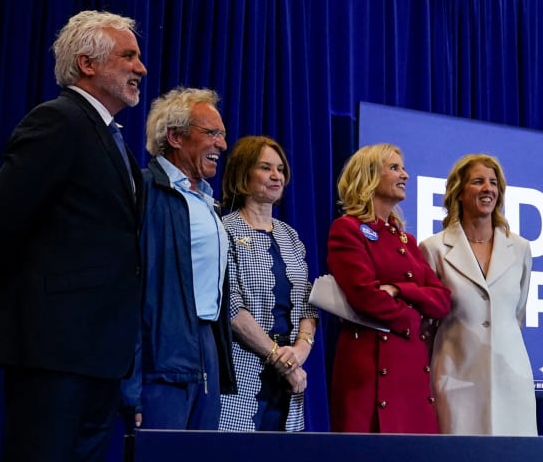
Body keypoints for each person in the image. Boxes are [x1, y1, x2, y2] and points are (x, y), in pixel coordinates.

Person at [0, 10, 146, 461]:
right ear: (88, 63)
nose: (141, 68)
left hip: (98, 350)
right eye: (129, 56)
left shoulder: (109, 135)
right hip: (55, 348)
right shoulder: (59, 121)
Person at [122, 87, 237, 430]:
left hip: (206, 350)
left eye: (223, 134)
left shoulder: (207, 201)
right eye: (212, 133)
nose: (222, 145)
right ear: (174, 136)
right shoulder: (143, 191)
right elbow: (128, 291)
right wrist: (131, 385)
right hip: (161, 356)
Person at [326, 143, 452, 433]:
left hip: (411, 375)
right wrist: (414, 319)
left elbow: (442, 301)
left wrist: (399, 290)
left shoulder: (406, 240)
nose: (405, 175)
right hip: (370, 372)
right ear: (369, 175)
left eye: (403, 168)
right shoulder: (347, 229)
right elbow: (364, 296)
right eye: (394, 168)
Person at [419, 154, 537, 436]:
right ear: (459, 192)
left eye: (493, 183)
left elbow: (517, 313)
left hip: (512, 377)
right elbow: (427, 322)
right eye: (478, 181)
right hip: (456, 374)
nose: (488, 188)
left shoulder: (520, 248)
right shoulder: (433, 248)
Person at [218, 136, 319, 432]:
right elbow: (231, 307)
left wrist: (300, 350)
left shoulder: (291, 237)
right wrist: (279, 358)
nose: (276, 176)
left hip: (290, 381)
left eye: (280, 169)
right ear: (243, 173)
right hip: (242, 374)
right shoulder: (225, 229)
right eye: (265, 168)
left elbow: (307, 304)